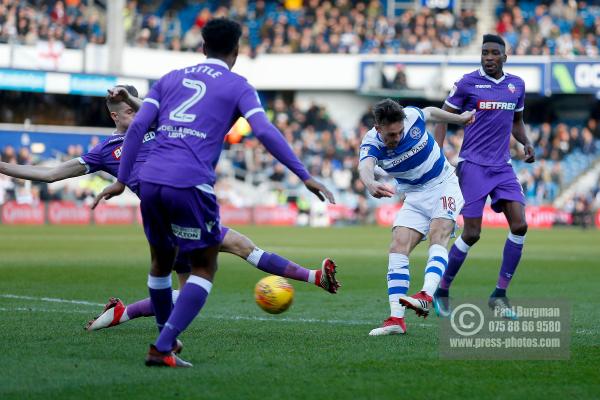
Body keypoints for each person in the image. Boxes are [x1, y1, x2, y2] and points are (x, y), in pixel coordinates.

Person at [93, 18, 335, 368]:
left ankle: (166, 342)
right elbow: (264, 132)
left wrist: (120, 180)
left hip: (152, 183)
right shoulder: (238, 86)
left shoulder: (168, 79)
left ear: (202, 48)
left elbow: (137, 130)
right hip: (189, 183)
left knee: (160, 266)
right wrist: (304, 175)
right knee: (204, 267)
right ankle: (162, 347)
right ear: (236, 52)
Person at [0, 85, 340, 333]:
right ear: (115, 116)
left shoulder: (160, 126)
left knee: (193, 285)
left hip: (181, 206)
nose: (137, 112)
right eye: (130, 110)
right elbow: (49, 174)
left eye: (138, 106)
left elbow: (154, 108)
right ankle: (157, 340)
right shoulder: (105, 151)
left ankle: (124, 314)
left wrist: (134, 100)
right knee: (232, 250)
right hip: (166, 215)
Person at [432, 34, 535, 319]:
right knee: (472, 233)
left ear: (505, 57)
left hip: (502, 166)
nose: (488, 57)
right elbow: (442, 116)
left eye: (494, 53)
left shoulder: (517, 85)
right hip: (473, 166)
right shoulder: (467, 82)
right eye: (485, 52)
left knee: (520, 225)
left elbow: (517, 121)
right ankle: (442, 289)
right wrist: (438, 156)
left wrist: (525, 142)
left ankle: (500, 294)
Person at [358, 98, 474, 336]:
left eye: (400, 132)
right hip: (414, 195)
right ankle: (395, 320)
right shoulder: (371, 143)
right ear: (378, 128)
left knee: (438, 233)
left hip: (443, 184)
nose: (397, 138)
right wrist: (370, 183)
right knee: (398, 244)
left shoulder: (411, 116)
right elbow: (365, 166)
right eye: (391, 135)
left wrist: (460, 119)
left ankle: (426, 295)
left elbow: (430, 112)